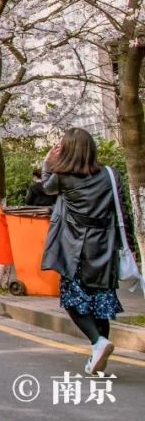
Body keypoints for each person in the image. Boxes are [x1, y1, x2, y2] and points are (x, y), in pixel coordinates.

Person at [40, 128, 125, 375]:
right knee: (100, 302)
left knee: (73, 300)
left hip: (75, 248)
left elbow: (46, 188)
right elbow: (122, 212)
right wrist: (126, 246)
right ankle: (98, 360)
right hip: (104, 246)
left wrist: (47, 162)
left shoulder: (63, 177)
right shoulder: (111, 174)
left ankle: (98, 343)